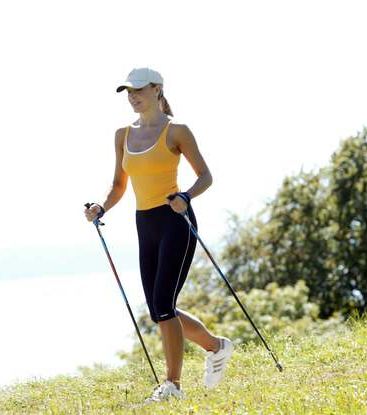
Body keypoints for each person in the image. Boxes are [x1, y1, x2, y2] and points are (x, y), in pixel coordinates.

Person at [84, 67, 234, 404]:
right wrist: (101, 207)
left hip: (174, 220)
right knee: (158, 309)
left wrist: (186, 197)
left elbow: (205, 176)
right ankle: (216, 346)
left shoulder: (176, 131)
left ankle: (173, 386)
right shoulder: (122, 135)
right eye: (128, 92)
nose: (133, 96)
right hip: (145, 224)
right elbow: (119, 184)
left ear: (158, 90)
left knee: (164, 306)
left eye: (139, 90)